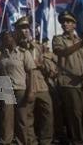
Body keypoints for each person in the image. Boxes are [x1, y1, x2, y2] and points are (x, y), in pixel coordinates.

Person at [13, 16, 53, 145]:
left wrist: (41, 64)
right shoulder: (15, 48)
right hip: (26, 84)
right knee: (27, 116)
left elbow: (49, 65)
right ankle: (31, 141)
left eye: (26, 28)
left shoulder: (37, 46)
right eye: (22, 28)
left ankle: (46, 140)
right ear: (17, 31)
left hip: (41, 84)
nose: (25, 31)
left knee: (48, 112)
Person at [0, 30, 35, 145]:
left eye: (6, 37)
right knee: (6, 119)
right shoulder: (1, 55)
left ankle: (21, 142)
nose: (4, 40)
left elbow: (31, 72)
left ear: (13, 38)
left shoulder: (23, 53)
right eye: (3, 38)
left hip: (20, 89)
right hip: (6, 90)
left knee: (22, 119)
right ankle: (6, 142)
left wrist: (31, 90)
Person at [52, 11, 83, 145]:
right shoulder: (58, 39)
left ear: (75, 25)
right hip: (69, 82)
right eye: (63, 21)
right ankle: (78, 141)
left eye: (68, 21)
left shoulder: (80, 40)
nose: (65, 23)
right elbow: (62, 52)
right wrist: (82, 43)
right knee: (75, 114)